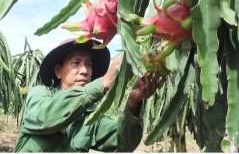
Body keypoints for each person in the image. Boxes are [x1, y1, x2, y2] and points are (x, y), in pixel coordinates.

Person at [14, 38, 159, 152]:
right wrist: (102, 84)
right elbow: (45, 116)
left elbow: (124, 144)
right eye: (76, 63)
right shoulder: (40, 94)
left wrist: (133, 103)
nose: (84, 70)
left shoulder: (93, 117)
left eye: (88, 64)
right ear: (58, 71)